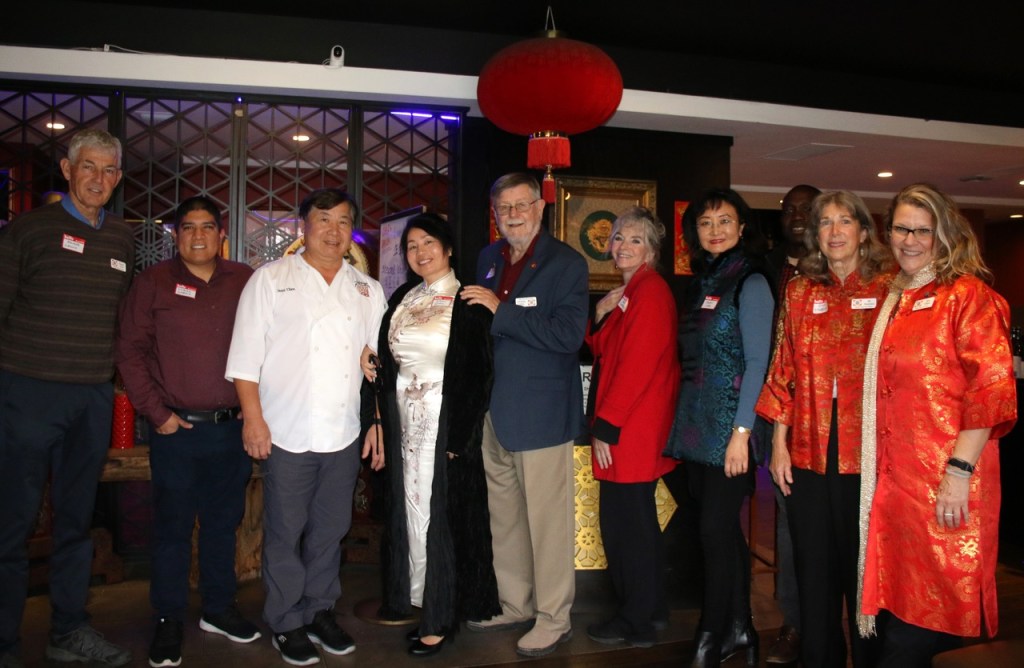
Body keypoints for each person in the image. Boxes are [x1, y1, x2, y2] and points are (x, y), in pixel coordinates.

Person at [857, 183, 1017, 667]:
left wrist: (958, 473)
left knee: (926, 621)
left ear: (945, 235)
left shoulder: (968, 297)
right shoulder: (894, 297)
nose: (909, 241)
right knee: (899, 605)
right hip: (896, 485)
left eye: (922, 231)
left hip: (946, 482)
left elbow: (990, 393)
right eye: (901, 229)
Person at [225, 189, 387, 667]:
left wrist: (376, 421)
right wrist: (254, 420)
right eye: (324, 220)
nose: (334, 231)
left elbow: (378, 364)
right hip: (286, 431)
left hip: (343, 432)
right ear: (303, 227)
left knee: (330, 530)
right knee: (285, 531)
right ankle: (285, 620)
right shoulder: (271, 279)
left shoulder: (367, 289)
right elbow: (245, 358)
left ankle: (319, 611)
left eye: (343, 221)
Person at [0, 129, 134, 667]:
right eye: (88, 167)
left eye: (108, 170)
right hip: (27, 392)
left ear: (118, 178)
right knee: (12, 524)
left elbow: (118, 318)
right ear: (67, 169)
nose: (98, 179)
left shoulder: (121, 239)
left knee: (76, 524)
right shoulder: (27, 231)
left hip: (92, 398)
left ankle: (68, 630)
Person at [115, 196, 259, 667]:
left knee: (223, 525)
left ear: (222, 234)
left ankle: (218, 608)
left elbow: (270, 343)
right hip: (174, 429)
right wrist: (157, 414)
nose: (198, 235)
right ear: (175, 236)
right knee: (172, 529)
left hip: (230, 429)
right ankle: (168, 617)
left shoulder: (245, 280)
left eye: (207, 226)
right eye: (189, 227)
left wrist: (256, 412)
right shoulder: (153, 282)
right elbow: (130, 351)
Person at [756, 191, 893, 668]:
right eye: (825, 223)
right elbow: (783, 368)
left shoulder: (889, 289)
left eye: (844, 221)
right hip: (808, 448)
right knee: (813, 567)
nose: (835, 232)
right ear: (815, 235)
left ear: (863, 231)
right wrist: (778, 443)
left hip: (868, 450)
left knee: (863, 567)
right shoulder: (799, 290)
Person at [460, 173, 588, 658]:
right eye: (504, 208)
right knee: (505, 518)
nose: (513, 215)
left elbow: (567, 336)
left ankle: (554, 618)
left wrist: (502, 309)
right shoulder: (489, 258)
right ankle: (515, 603)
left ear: (540, 208)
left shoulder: (566, 263)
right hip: (494, 412)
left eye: (521, 205)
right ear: (494, 214)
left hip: (541, 415)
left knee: (548, 524)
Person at [363, 213, 500, 657]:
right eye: (412, 246)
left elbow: (480, 376)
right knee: (409, 511)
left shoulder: (467, 300)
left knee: (438, 516)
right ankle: (418, 601)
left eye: (429, 243)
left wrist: (460, 441)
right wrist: (371, 359)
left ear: (448, 248)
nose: (420, 252)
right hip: (402, 422)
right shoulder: (403, 297)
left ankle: (440, 618)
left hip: (443, 425)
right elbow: (388, 356)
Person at [664, 188, 773, 668]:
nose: (715, 230)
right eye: (706, 223)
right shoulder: (700, 282)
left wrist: (742, 433)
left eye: (725, 221)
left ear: (742, 227)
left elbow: (758, 363)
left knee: (714, 532)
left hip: (732, 430)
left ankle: (711, 632)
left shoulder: (752, 281)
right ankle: (741, 628)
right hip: (695, 427)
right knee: (721, 533)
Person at [582, 207, 679, 649]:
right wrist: (602, 311)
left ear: (652, 250)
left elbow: (637, 366)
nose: (622, 245)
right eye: (619, 237)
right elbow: (601, 347)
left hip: (631, 428)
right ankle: (650, 611)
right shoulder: (631, 291)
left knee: (627, 528)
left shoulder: (650, 291)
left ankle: (635, 620)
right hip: (631, 425)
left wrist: (607, 426)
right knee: (636, 523)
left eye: (635, 239)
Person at [761, 183, 820, 665]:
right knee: (789, 524)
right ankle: (795, 622)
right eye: (789, 209)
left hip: (835, 422)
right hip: (777, 416)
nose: (797, 215)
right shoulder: (764, 268)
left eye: (807, 208)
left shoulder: (844, 271)